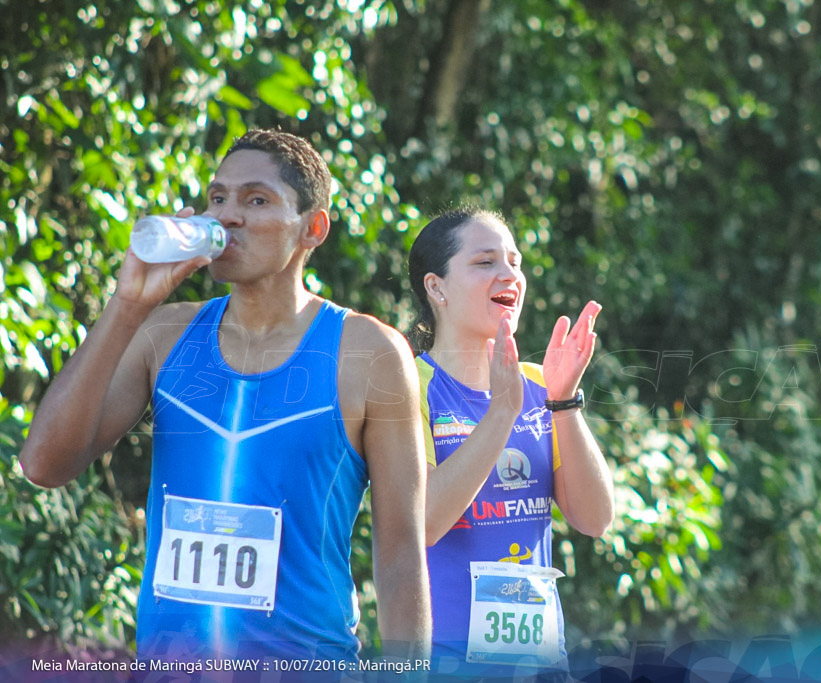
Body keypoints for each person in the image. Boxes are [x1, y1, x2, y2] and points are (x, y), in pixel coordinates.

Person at [19, 129, 430, 664]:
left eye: (256, 200)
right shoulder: (162, 336)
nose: (227, 216)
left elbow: (400, 556)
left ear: (313, 228)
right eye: (218, 199)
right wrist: (126, 305)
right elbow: (43, 464)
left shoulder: (367, 352)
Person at [407, 207, 615, 676]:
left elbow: (595, 519)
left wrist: (562, 402)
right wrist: (502, 411)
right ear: (436, 287)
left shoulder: (540, 385)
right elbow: (424, 522)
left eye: (515, 262)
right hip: (446, 663)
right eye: (485, 262)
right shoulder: (408, 384)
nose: (510, 275)